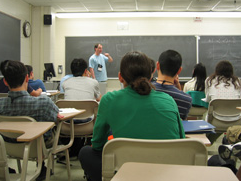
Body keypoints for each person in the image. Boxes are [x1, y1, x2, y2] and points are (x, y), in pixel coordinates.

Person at [79, 51, 185, 181]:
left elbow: (97, 144)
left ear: (120, 77)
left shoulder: (108, 100)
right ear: (151, 76)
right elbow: (181, 141)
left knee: (85, 152)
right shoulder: (169, 100)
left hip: (124, 171)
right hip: (165, 172)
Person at [0, 60, 62, 181]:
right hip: (38, 147)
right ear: (27, 78)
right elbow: (57, 117)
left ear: (5, 81)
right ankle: (42, 168)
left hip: (7, 146)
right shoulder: (44, 103)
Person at [152, 50, 192, 120]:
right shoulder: (186, 100)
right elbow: (181, 124)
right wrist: (179, 90)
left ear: (158, 65)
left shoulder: (144, 90)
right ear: (179, 70)